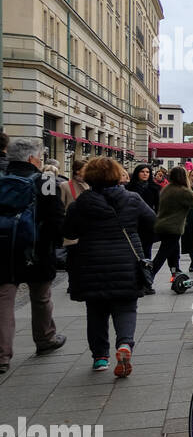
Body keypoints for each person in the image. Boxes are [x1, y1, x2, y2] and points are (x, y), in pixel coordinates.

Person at [62, 157, 155, 376]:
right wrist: (134, 233)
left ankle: (100, 357)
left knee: (95, 311)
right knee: (126, 307)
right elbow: (153, 222)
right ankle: (124, 345)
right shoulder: (132, 199)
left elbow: (69, 233)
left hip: (90, 262)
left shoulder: (81, 203)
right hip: (126, 262)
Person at [0, 137, 67, 374]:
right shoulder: (47, 179)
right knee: (40, 297)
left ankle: (2, 356)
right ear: (32, 159)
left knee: (4, 300)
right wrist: (56, 244)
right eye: (39, 157)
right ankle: (45, 338)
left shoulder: (2, 177)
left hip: (4, 248)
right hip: (37, 248)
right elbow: (55, 217)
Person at [126, 164, 160, 259]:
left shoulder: (154, 188)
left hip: (148, 221)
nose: (145, 174)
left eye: (147, 172)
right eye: (142, 172)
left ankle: (146, 269)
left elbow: (158, 205)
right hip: (133, 220)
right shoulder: (129, 187)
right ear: (137, 173)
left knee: (147, 248)